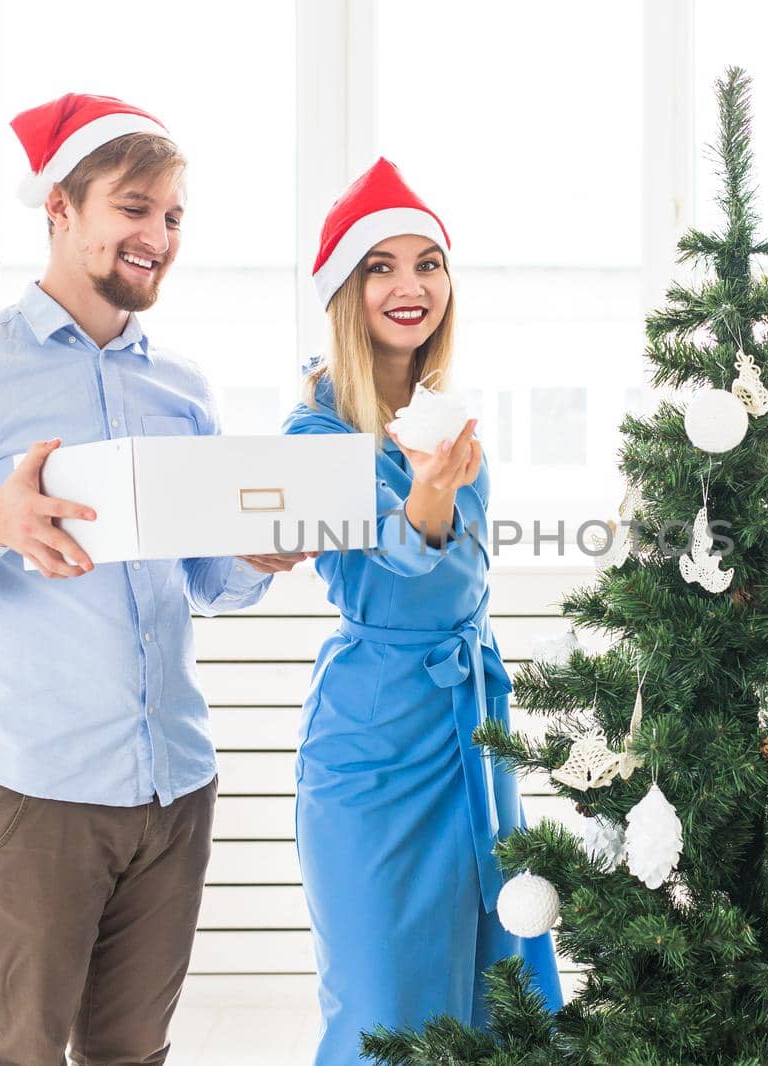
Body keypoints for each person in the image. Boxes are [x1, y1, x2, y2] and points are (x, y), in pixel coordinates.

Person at [0, 92, 310, 1063]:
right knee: (20, 1050)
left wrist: (258, 555)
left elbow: (207, 580)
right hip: (35, 790)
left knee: (131, 1053)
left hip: (175, 781)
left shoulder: (182, 388)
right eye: (135, 206)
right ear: (59, 209)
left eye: (175, 215)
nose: (159, 234)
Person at [281, 158, 564, 1064]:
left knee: (503, 986)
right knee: (387, 1003)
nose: (410, 287)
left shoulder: (445, 414)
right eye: (381, 266)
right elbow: (390, 567)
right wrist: (430, 499)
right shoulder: (314, 435)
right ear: (344, 290)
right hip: (377, 739)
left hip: (474, 731)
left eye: (428, 263)